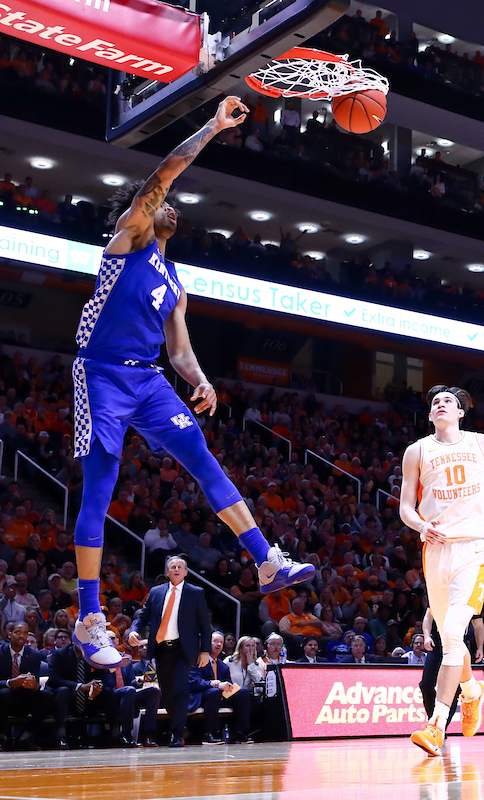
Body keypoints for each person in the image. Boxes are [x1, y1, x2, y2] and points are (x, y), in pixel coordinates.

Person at [71, 96, 314, 669]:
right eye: (165, 203)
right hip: (101, 373)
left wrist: (200, 381)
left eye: (175, 206)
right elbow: (165, 171)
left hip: (150, 379)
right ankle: (88, 618)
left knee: (203, 457)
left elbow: (178, 349)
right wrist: (214, 125)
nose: (172, 207)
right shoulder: (127, 240)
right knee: (99, 485)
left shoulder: (175, 280)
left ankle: (265, 559)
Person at [399, 385, 484, 757]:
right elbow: (405, 506)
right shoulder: (417, 450)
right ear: (430, 414)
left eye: (448, 401)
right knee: (452, 639)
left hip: (473, 546)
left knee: (451, 632)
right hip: (434, 548)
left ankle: (435, 726)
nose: (440, 404)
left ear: (461, 411)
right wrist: (419, 525)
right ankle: (471, 690)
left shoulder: (481, 443)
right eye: (435, 402)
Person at [127, 556, 212, 747]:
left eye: (179, 567)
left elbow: (205, 626)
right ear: (167, 572)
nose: (176, 569)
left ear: (185, 572)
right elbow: (143, 616)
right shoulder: (156, 592)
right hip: (161, 649)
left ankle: (176, 733)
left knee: (181, 690)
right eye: (172, 567)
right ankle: (180, 728)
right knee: (167, 693)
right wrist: (134, 630)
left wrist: (205, 650)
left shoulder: (195, 593)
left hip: (183, 650)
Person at [48, 640, 123, 747]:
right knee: (63, 691)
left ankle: (116, 735)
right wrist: (80, 686)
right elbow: (55, 679)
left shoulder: (96, 656)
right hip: (68, 700)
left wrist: (97, 686)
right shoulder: (60, 654)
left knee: (107, 692)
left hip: (90, 699)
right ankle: (61, 737)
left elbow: (103, 677)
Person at [0, 621, 61, 748]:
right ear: (9, 634)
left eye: (25, 633)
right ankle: (2, 737)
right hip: (5, 698)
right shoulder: (1, 652)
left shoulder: (34, 654)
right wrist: (10, 683)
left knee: (47, 695)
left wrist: (34, 685)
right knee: (4, 693)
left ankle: (26, 735)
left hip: (25, 697)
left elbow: (37, 683)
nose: (22, 636)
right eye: (18, 632)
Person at [189, 631, 252, 744]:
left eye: (221, 642)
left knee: (243, 692)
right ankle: (209, 734)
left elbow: (227, 683)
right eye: (215, 642)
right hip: (201, 695)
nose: (218, 644)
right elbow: (194, 682)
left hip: (220, 695)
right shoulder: (197, 660)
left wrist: (229, 687)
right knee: (214, 692)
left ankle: (239, 732)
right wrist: (216, 684)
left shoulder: (223, 666)